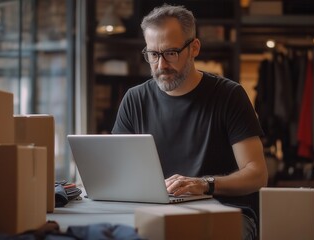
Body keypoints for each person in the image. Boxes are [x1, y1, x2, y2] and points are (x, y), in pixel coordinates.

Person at [112, 4, 268, 240]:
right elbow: (117, 170)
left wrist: (206, 184)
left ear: (194, 47)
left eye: (171, 53)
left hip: (225, 212)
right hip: (157, 212)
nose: (161, 65)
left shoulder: (229, 95)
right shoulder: (135, 99)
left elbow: (257, 174)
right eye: (153, 55)